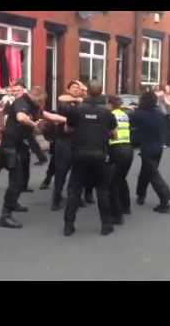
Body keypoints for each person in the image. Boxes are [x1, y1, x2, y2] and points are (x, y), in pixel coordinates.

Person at [0, 83, 65, 229]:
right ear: (35, 98)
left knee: (19, 177)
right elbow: (21, 118)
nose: (42, 104)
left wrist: (67, 120)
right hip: (9, 145)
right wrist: (34, 125)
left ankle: (13, 203)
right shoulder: (21, 102)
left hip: (19, 144)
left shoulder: (33, 106)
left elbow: (48, 115)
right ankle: (5, 215)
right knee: (16, 179)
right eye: (41, 101)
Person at [63, 81, 118, 236]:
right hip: (100, 155)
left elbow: (67, 128)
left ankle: (68, 226)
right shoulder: (107, 113)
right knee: (102, 190)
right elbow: (114, 134)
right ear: (101, 92)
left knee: (74, 190)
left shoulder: (77, 111)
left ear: (87, 92)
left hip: (79, 154)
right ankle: (106, 225)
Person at [132, 90, 170, 213]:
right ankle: (140, 195)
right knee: (146, 172)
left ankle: (165, 199)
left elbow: (132, 122)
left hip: (147, 147)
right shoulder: (159, 113)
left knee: (153, 175)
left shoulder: (139, 113)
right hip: (158, 147)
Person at [51, 80, 84, 211]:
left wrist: (82, 94)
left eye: (78, 87)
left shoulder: (82, 101)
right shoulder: (63, 103)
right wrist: (79, 102)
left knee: (79, 173)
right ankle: (56, 200)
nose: (76, 89)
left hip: (79, 143)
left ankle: (76, 198)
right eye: (74, 87)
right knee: (61, 172)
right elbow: (70, 112)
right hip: (64, 142)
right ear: (68, 89)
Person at [107, 95, 134, 224]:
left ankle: (116, 215)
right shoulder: (124, 115)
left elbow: (111, 133)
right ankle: (126, 206)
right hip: (128, 149)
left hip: (117, 149)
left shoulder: (110, 115)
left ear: (110, 104)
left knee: (112, 183)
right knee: (121, 179)